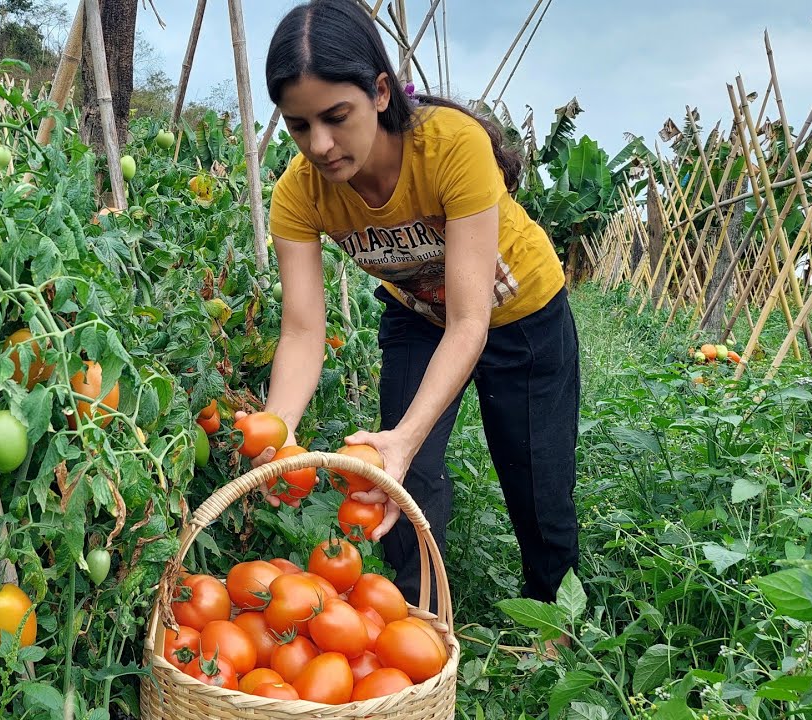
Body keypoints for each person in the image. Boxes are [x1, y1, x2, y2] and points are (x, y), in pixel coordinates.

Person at [244, 0, 581, 619]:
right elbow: (301, 327)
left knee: (536, 471)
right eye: (298, 126)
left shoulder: (451, 147)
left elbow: (470, 321)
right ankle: (414, 611)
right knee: (398, 468)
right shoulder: (299, 193)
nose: (319, 145)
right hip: (419, 315)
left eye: (335, 117)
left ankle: (555, 613)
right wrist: (279, 429)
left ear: (378, 92)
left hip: (522, 312)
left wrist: (405, 435)